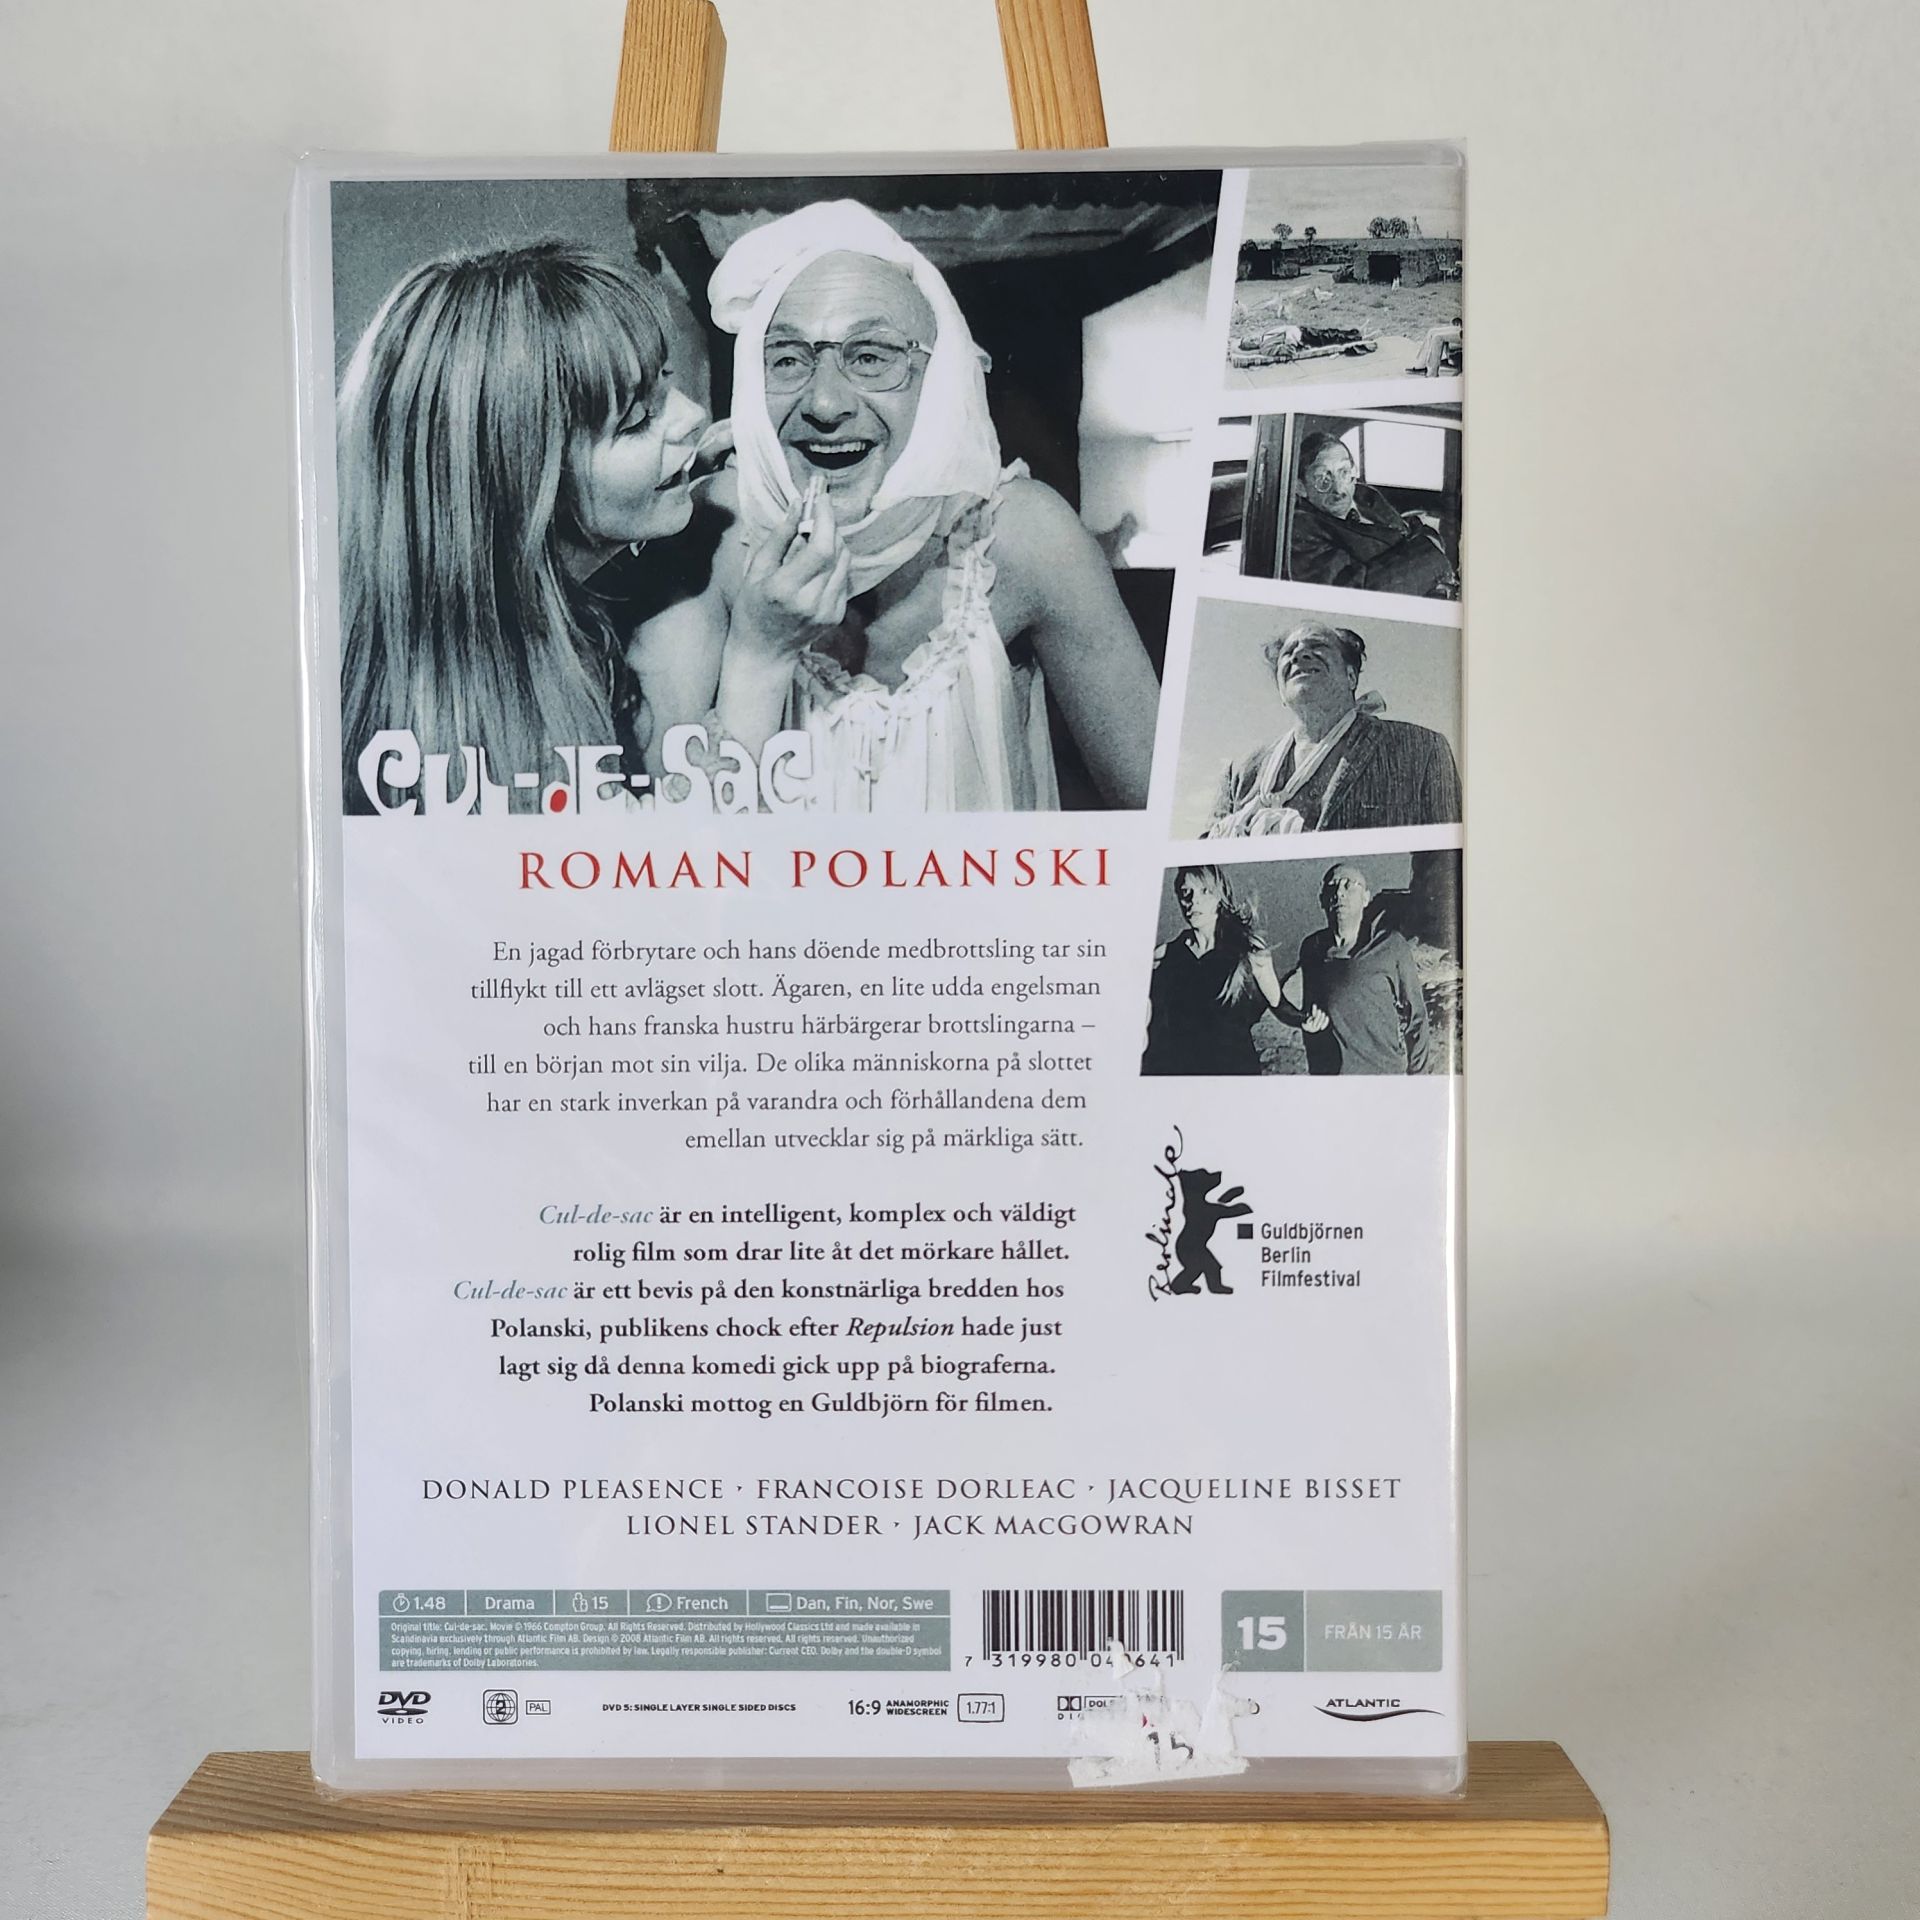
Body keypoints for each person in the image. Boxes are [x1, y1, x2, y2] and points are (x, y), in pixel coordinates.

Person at [683, 200, 1161, 813]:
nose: (825, 404)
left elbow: (1162, 813)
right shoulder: (714, 533)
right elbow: (673, 846)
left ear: (940, 382)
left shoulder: (1025, 536)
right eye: (789, 360)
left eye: (870, 357)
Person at [337, 241, 710, 813]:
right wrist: (760, 660)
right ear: (520, 483)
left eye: (667, 379)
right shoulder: (490, 752)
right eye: (637, 420)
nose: (694, 417)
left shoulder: (549, 638)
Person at [1203, 621, 1460, 836]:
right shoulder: (1239, 773)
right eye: (1288, 653)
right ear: (1281, 690)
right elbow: (1203, 867)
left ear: (1351, 677)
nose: (1299, 655)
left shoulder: (1421, 750)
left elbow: (1448, 860)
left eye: (1318, 646)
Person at [1142, 866, 1298, 1075]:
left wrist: (1306, 1020)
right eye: (1186, 892)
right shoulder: (1165, 955)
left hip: (1234, 1075)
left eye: (1204, 891)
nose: (1193, 900)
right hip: (1182, 1076)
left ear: (1219, 896)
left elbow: (1278, 1004)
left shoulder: (1249, 949)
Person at [1291, 864, 1431, 1075]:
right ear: (1322, 899)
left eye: (1349, 885)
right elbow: (1307, 1010)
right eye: (1332, 886)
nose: (1339, 892)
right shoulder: (1312, 948)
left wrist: (1420, 1080)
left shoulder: (1391, 945)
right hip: (1330, 1081)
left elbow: (1417, 1017)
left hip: (1381, 1079)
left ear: (1365, 898)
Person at [1287, 431, 1456, 599]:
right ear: (1300, 487)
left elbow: (1402, 529)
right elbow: (1360, 592)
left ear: (1353, 472)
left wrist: (1426, 536)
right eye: (1322, 479)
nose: (1338, 489)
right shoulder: (1302, 530)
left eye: (1343, 472)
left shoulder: (1365, 496)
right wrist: (1430, 549)